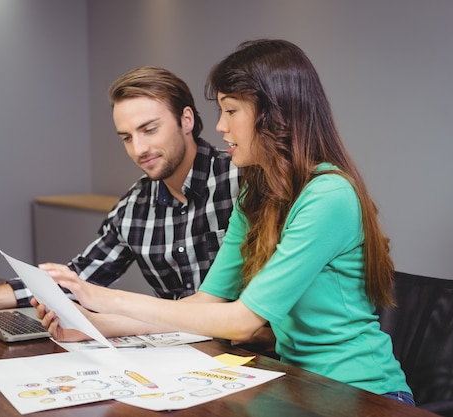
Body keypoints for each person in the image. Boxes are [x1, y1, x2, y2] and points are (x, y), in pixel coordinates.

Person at [34, 39, 414, 405]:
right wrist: (96, 323)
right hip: (297, 384)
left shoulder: (329, 196)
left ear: (274, 115)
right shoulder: (256, 193)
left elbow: (242, 321)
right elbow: (203, 303)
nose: (219, 126)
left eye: (231, 111)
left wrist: (108, 298)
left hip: (364, 393)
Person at [0, 66, 239, 316]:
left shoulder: (239, 181)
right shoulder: (135, 206)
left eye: (149, 129)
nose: (139, 149)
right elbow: (79, 277)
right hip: (176, 351)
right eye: (126, 137)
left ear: (186, 120)